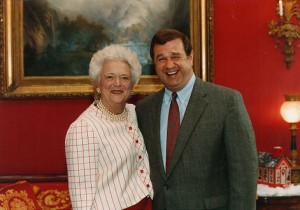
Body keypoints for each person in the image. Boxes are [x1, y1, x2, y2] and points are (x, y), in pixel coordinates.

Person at [136, 29, 258, 210]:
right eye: (161, 59)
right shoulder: (145, 109)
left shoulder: (226, 102)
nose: (169, 65)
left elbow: (244, 174)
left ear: (190, 57)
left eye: (175, 56)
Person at [65, 45, 153, 210]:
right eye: (110, 77)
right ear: (98, 82)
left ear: (132, 84)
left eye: (125, 78)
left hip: (145, 204)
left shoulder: (134, 113)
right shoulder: (83, 129)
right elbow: (81, 198)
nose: (117, 84)